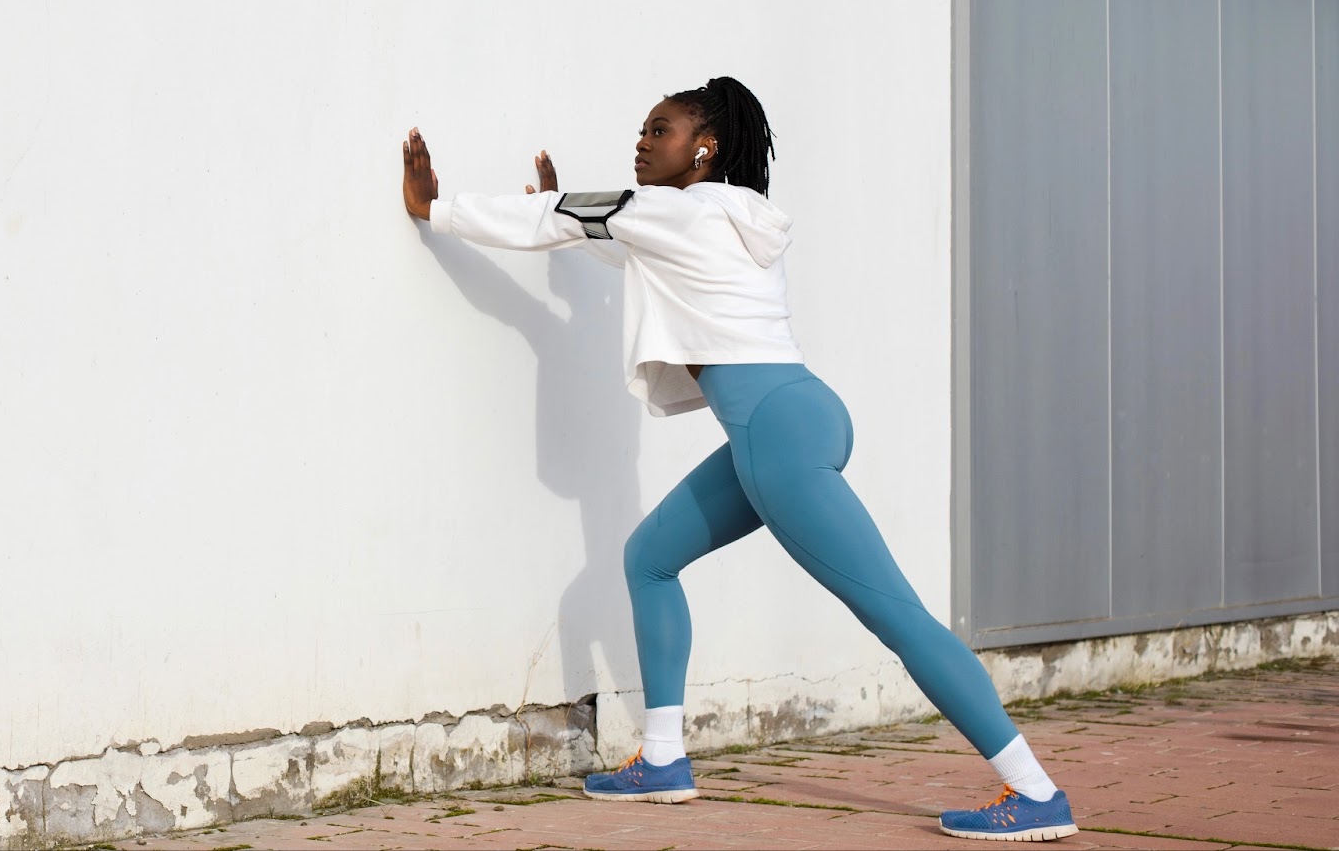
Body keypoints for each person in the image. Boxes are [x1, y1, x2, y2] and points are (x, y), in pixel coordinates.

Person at [399, 76, 1079, 842]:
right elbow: (625, 246)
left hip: (773, 434)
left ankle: (1035, 791)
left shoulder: (673, 210)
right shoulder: (723, 217)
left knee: (895, 614)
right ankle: (662, 759)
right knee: (650, 556)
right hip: (796, 415)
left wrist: (438, 209)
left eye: (660, 131)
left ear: (705, 149)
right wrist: (580, 229)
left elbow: (560, 216)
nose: (642, 142)